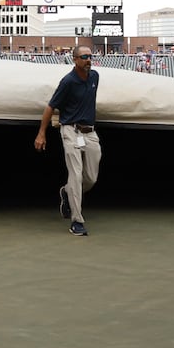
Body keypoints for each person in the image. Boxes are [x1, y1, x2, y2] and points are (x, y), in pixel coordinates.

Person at [36, 44, 100, 237]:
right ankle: (77, 221)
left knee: (91, 178)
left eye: (90, 56)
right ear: (74, 59)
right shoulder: (68, 82)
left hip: (89, 134)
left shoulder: (95, 77)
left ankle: (66, 192)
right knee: (76, 175)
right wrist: (42, 133)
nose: (88, 60)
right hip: (71, 131)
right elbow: (50, 107)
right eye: (84, 57)